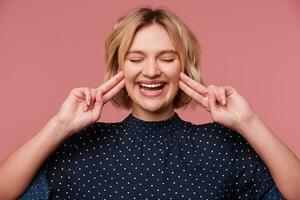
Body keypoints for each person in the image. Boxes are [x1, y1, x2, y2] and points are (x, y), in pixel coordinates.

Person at [0, 6, 299, 200]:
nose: (152, 71)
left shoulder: (221, 146)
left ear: (184, 67)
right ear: (120, 69)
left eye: (167, 58)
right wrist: (60, 125)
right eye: (136, 58)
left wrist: (248, 121)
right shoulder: (80, 147)